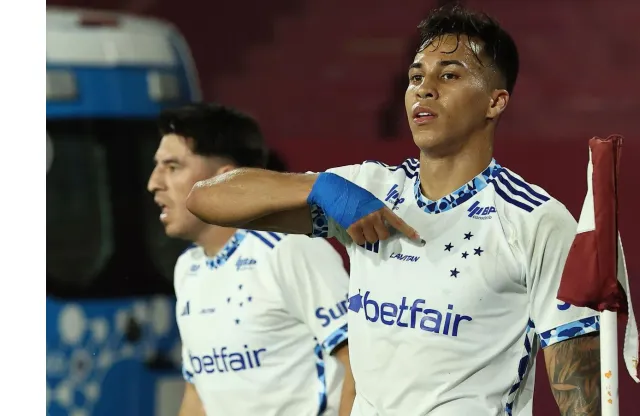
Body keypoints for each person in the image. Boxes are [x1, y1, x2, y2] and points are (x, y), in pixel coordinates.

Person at [185, 5, 601, 416]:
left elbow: (578, 394)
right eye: (416, 76)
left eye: (449, 75)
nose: (425, 88)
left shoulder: (534, 221)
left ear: (495, 102)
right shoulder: (368, 190)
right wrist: (318, 185)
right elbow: (205, 200)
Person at [147, 103, 355, 416]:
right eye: (157, 166)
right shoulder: (188, 268)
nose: (154, 182)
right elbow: (198, 394)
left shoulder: (289, 249)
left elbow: (359, 364)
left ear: (225, 181)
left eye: (172, 167)